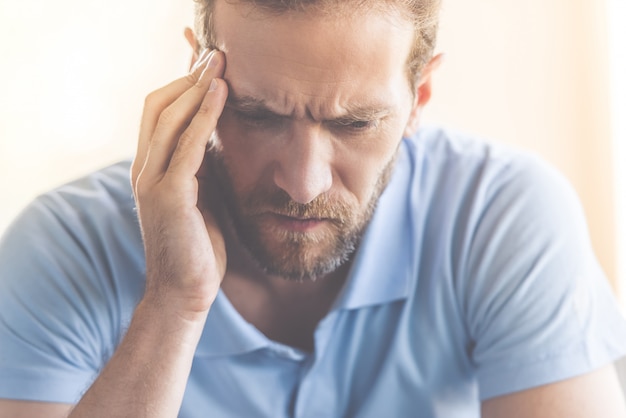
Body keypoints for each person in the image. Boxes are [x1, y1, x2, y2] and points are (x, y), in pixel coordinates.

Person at [1, 0, 626, 416]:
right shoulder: (61, 250)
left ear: (419, 98)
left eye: (353, 124)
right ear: (196, 81)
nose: (302, 182)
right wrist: (173, 304)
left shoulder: (501, 219)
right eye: (257, 115)